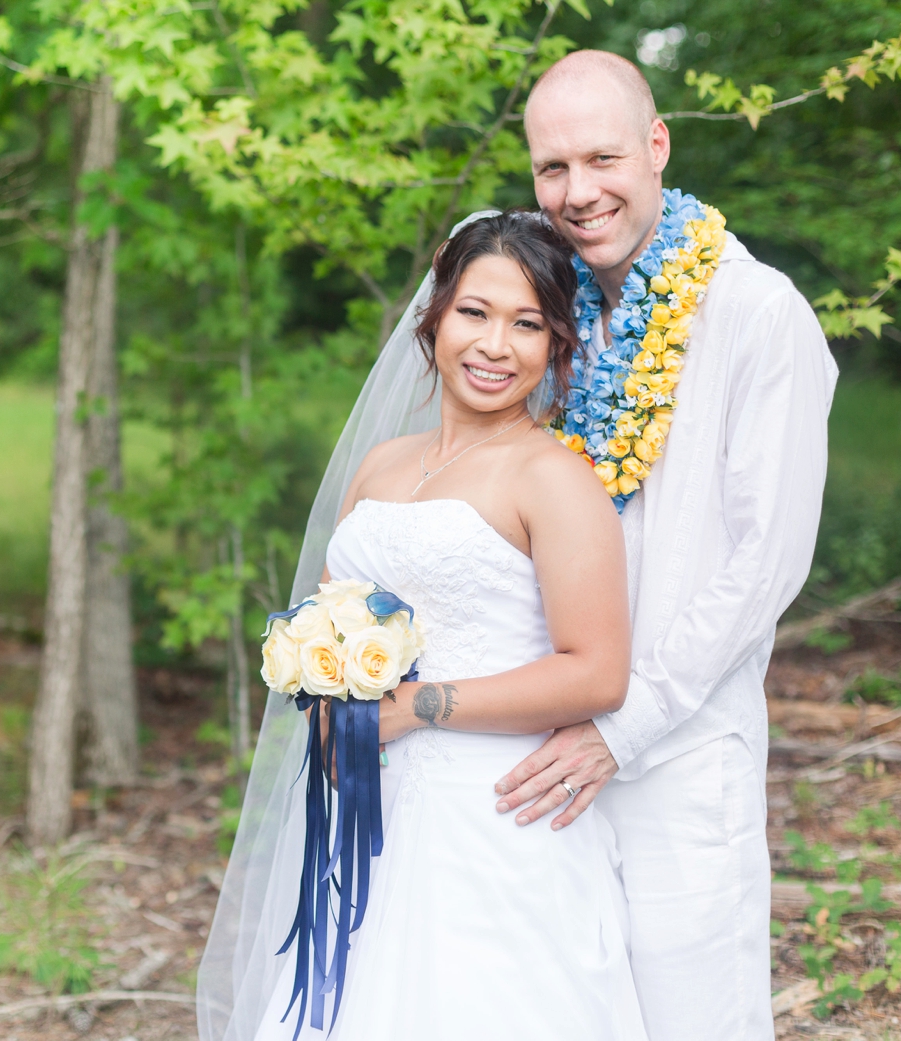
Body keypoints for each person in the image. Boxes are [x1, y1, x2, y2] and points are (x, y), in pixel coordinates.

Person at [488, 51, 836, 1040]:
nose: (577, 192)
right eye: (552, 169)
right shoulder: (543, 320)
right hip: (542, 753)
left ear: (657, 145)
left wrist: (621, 728)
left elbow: (765, 563)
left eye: (601, 158)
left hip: (678, 752)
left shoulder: (757, 314)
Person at [244, 209, 646, 1040]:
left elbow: (596, 671)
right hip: (364, 800)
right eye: (475, 312)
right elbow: (331, 614)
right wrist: (327, 698)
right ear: (434, 315)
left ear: (557, 344)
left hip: (492, 816)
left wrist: (416, 707)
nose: (496, 345)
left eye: (527, 323)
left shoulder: (553, 478)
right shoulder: (381, 464)